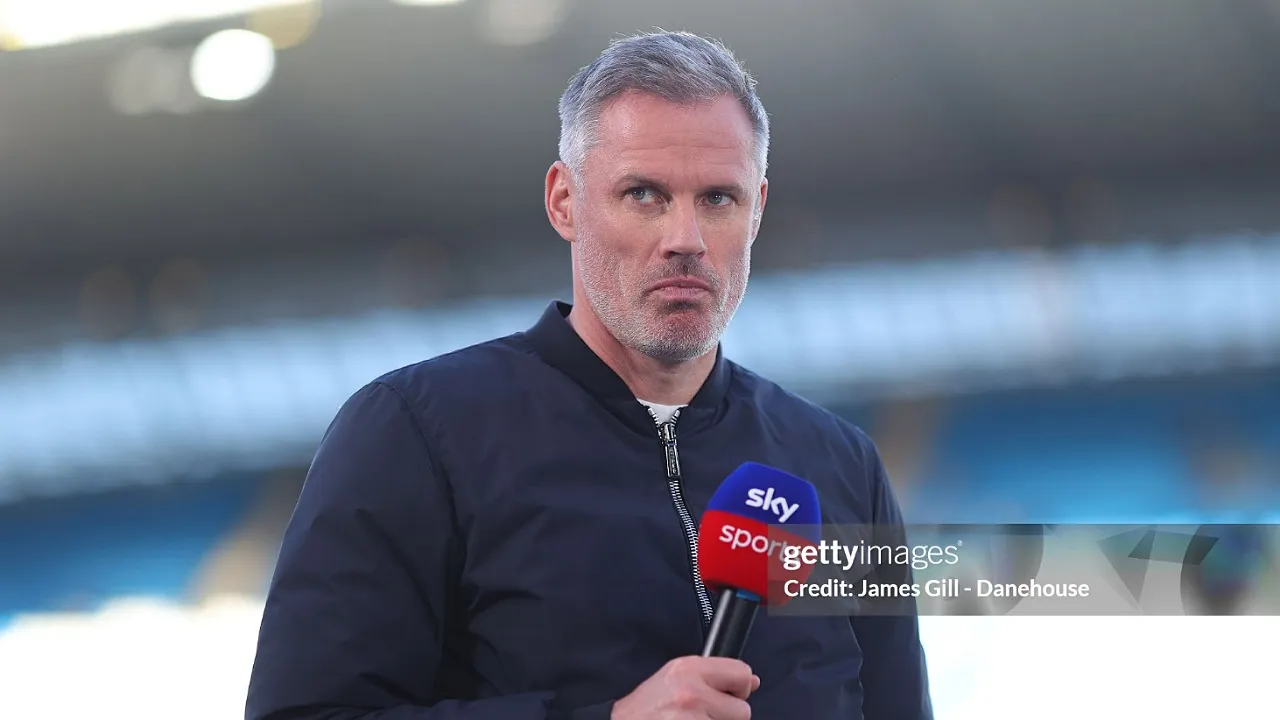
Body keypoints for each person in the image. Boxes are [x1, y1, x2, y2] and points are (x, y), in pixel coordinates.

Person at [244, 30, 933, 720]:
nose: (685, 239)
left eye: (718, 199)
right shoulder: (416, 432)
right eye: (643, 194)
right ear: (564, 202)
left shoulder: (839, 466)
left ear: (757, 208)